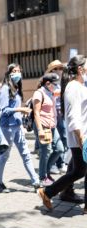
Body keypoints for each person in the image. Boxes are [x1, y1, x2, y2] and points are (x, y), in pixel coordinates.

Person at [38, 55, 87, 211]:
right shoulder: (73, 87)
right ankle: (47, 192)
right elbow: (73, 118)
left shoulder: (80, 86)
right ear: (80, 69)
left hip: (83, 136)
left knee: (78, 170)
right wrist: (82, 141)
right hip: (80, 137)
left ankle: (55, 192)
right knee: (79, 171)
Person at [0, 63, 40, 192]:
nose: (17, 74)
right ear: (9, 73)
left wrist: (21, 114)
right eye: (14, 71)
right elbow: (3, 110)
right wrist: (20, 109)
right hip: (7, 127)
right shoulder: (5, 89)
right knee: (4, 156)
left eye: (19, 71)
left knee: (26, 154)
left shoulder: (17, 88)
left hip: (17, 126)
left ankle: (36, 181)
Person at [32, 73, 64, 185]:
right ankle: (42, 177)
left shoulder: (50, 92)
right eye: (55, 84)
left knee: (59, 149)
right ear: (47, 83)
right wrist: (40, 130)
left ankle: (46, 171)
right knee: (46, 151)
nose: (56, 86)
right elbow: (36, 112)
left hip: (52, 126)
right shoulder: (39, 93)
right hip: (43, 126)